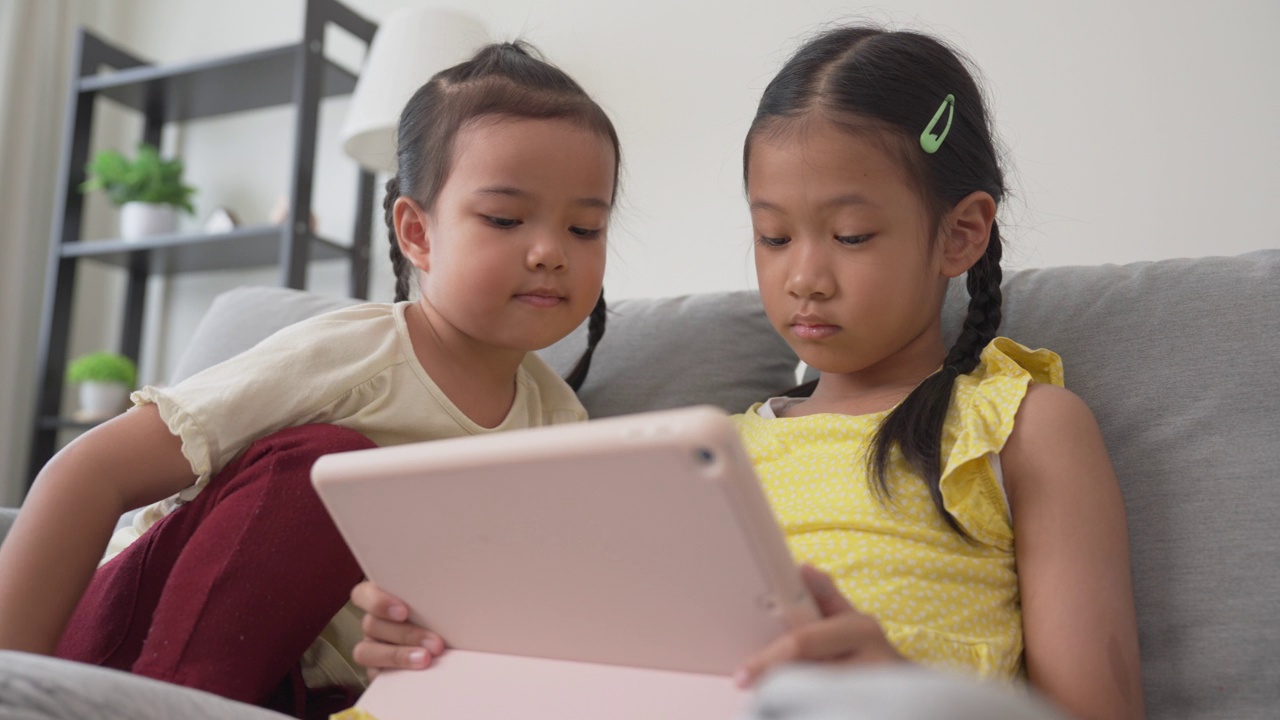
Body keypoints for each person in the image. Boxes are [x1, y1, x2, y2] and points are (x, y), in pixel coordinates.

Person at [352, 26, 1144, 720]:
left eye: (853, 235)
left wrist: (898, 690)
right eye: (772, 238)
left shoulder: (1022, 426)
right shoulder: (701, 453)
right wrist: (440, 639)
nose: (805, 276)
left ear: (961, 234)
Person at [0, 41, 620, 717]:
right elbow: (88, 473)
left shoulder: (559, 425)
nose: (550, 253)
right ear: (417, 233)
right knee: (330, 467)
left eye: (585, 228)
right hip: (124, 644)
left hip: (309, 691)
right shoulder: (352, 355)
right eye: (505, 219)